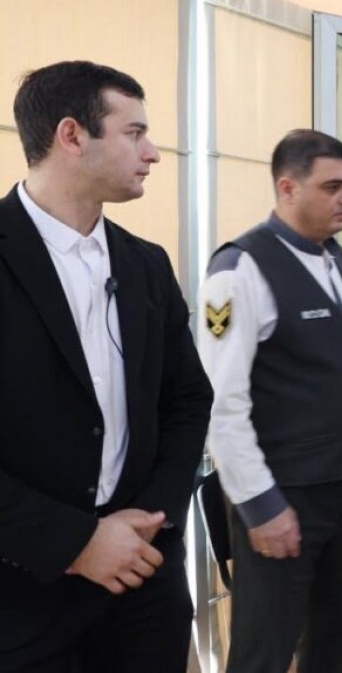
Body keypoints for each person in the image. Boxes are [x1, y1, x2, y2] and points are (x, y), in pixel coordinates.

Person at [0, 60, 213, 671]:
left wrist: (151, 519)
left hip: (143, 578)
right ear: (71, 135)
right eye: (134, 133)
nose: (153, 153)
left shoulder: (146, 263)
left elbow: (187, 399)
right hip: (21, 591)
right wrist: (77, 542)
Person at [199, 129, 342, 672]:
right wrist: (261, 506)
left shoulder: (331, 254)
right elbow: (222, 404)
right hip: (283, 495)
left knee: (338, 636)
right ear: (287, 188)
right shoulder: (240, 270)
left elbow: (339, 360)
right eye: (333, 186)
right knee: (265, 649)